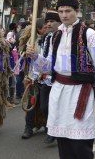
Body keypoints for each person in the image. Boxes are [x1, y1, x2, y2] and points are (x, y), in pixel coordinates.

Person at [26, 0, 95, 159]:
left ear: (77, 11)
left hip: (81, 94)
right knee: (63, 145)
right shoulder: (55, 36)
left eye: (68, 11)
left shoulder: (89, 35)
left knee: (80, 146)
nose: (64, 15)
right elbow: (49, 67)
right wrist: (36, 57)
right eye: (61, 11)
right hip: (59, 95)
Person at [19, 18, 48, 139]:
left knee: (45, 104)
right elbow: (23, 54)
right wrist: (26, 51)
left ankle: (49, 127)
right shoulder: (32, 40)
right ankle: (28, 127)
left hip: (47, 76)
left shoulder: (51, 39)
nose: (46, 29)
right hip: (33, 75)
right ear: (39, 29)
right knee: (31, 102)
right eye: (44, 28)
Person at [39, 9, 61, 144]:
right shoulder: (47, 37)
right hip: (46, 78)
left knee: (57, 108)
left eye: (52, 21)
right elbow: (44, 58)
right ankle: (51, 129)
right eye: (47, 21)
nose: (48, 24)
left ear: (59, 22)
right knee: (44, 107)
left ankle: (54, 131)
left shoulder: (63, 36)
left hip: (60, 80)